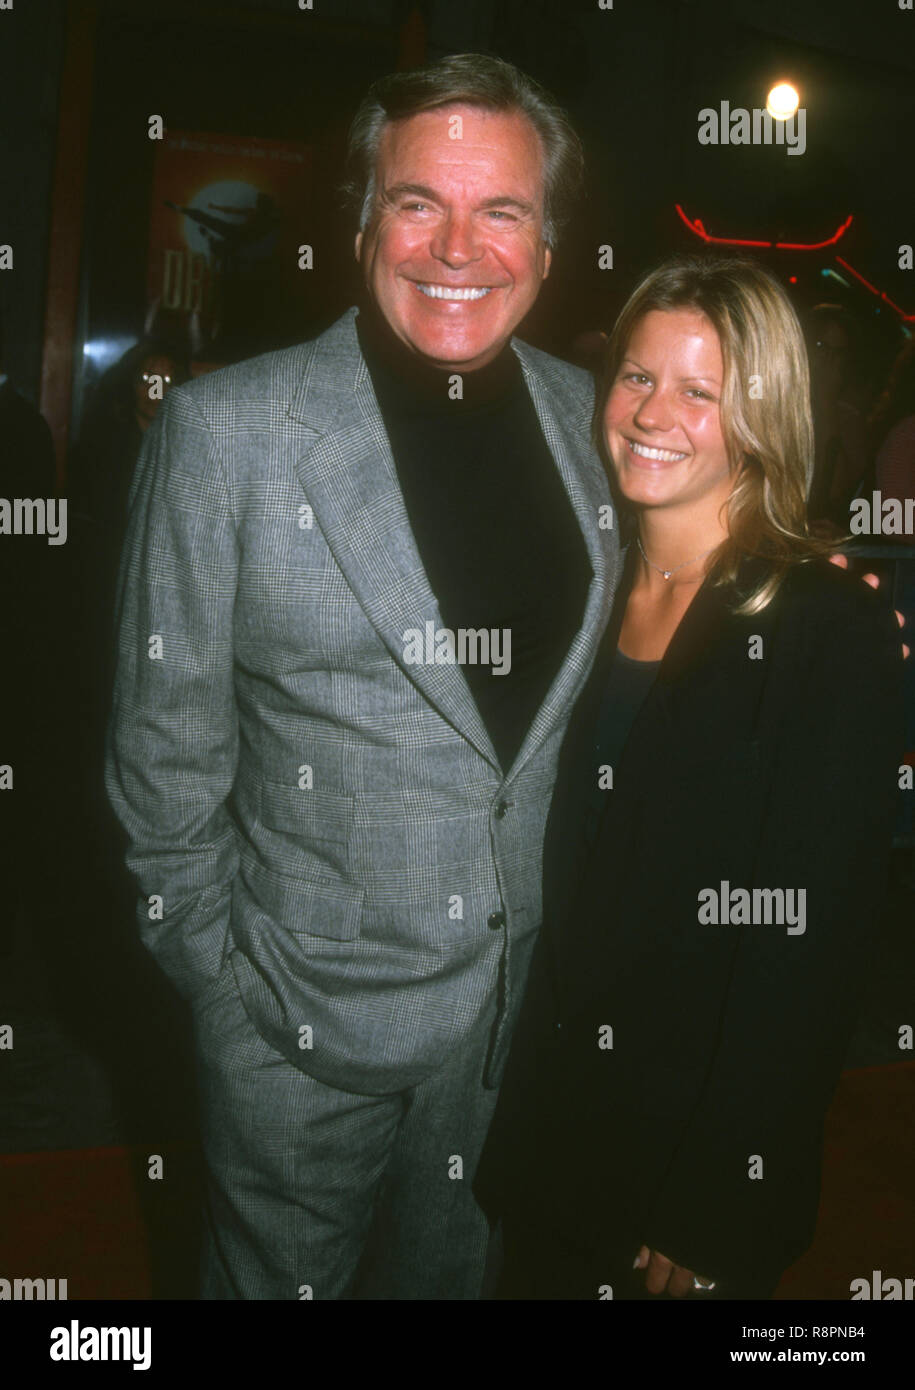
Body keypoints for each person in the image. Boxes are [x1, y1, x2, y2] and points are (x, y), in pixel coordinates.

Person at [104, 52, 620, 1300]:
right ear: (360, 222)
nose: (458, 247)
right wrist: (228, 996)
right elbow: (159, 756)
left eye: (501, 210)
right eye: (416, 203)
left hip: (508, 1032)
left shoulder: (595, 415)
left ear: (547, 246)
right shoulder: (225, 434)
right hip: (297, 1027)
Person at [474, 253, 905, 1300]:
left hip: (685, 1156)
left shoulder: (827, 628)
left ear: (763, 416)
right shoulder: (580, 587)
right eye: (636, 376)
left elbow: (809, 947)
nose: (651, 412)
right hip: (545, 1129)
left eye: (699, 390)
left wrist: (723, 1189)